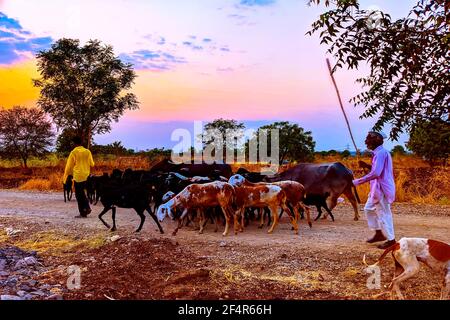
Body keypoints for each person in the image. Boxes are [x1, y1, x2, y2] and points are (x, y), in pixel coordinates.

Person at [353, 131, 396, 249]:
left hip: (381, 188)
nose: (366, 141)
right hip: (376, 188)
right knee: (368, 209)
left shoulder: (381, 153)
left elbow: (377, 173)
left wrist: (357, 181)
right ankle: (378, 233)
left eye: (369, 139)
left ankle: (391, 240)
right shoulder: (378, 153)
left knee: (383, 213)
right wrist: (366, 166)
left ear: (377, 139)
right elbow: (377, 169)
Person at [63, 136, 95, 218]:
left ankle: (83, 212)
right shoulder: (87, 152)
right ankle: (87, 208)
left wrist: (66, 174)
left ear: (74, 143)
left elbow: (69, 166)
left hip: (77, 176)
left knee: (79, 195)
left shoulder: (73, 152)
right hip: (86, 175)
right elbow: (92, 164)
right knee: (82, 193)